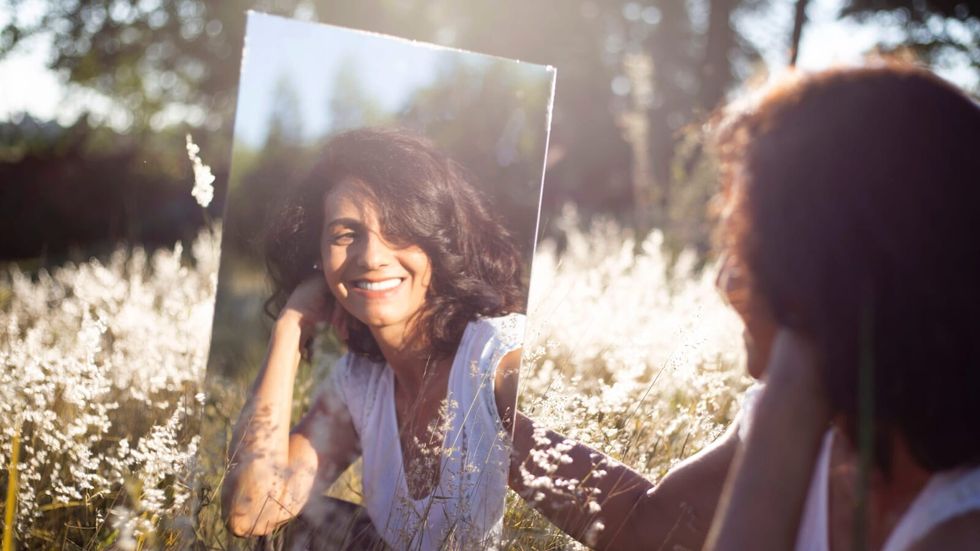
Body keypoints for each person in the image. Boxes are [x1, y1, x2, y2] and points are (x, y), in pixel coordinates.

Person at [510, 62, 980, 551]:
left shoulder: (962, 526)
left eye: (748, 246)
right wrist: (497, 425)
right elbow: (649, 528)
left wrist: (789, 396)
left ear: (833, 264)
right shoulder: (821, 421)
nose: (724, 281)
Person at [221, 127, 528, 550]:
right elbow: (251, 509)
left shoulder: (500, 355)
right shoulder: (360, 383)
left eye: (398, 228)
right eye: (345, 235)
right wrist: (291, 325)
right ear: (318, 258)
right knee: (296, 534)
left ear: (439, 240)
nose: (371, 257)